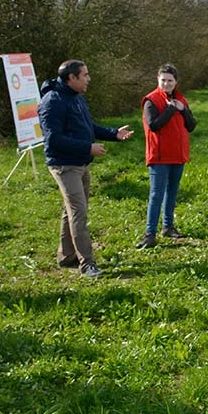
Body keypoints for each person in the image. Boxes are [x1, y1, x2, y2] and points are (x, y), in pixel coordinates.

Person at [38, 59, 133, 278]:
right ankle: (86, 263)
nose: (89, 79)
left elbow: (88, 127)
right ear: (71, 78)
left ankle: (66, 255)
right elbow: (53, 140)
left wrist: (113, 134)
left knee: (71, 210)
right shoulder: (52, 102)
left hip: (80, 163)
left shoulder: (77, 98)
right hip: (64, 165)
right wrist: (88, 147)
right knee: (78, 213)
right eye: (85, 75)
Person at [137, 63, 197, 249]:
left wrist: (183, 110)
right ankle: (149, 233)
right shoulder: (151, 100)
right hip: (159, 156)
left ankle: (168, 226)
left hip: (178, 155)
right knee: (156, 194)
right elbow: (154, 125)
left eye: (170, 80)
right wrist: (171, 109)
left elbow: (191, 126)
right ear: (157, 79)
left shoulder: (181, 100)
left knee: (172, 192)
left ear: (176, 82)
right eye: (163, 80)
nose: (166, 84)